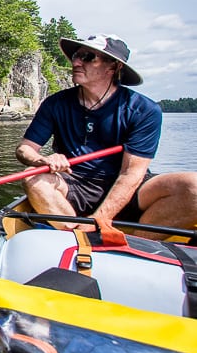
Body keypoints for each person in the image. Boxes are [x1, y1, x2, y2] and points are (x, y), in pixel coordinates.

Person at [15, 33, 197, 238]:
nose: (75, 61)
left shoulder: (144, 110)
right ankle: (77, 239)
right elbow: (25, 148)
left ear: (113, 67)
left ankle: (136, 243)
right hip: (73, 183)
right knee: (32, 177)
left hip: (129, 187)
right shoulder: (55, 103)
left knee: (194, 187)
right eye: (76, 55)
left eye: (87, 57)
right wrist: (41, 159)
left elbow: (131, 174)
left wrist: (98, 219)